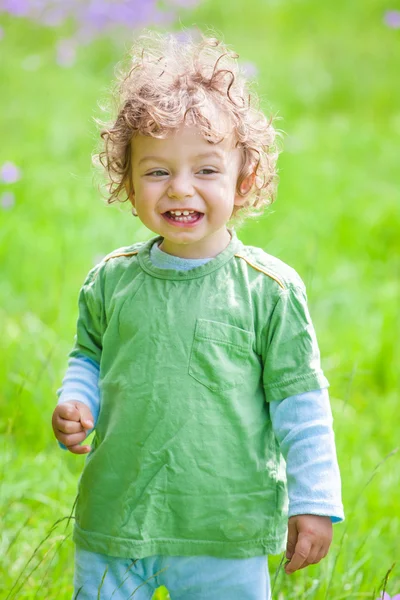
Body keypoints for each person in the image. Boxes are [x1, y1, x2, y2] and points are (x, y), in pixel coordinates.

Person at [52, 30, 344, 600]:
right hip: (116, 516)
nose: (179, 188)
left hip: (222, 528)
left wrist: (314, 501)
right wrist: (76, 399)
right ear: (128, 185)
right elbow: (88, 354)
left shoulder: (269, 292)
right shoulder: (111, 280)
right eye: (157, 171)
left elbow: (300, 402)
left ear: (245, 179)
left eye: (206, 170)